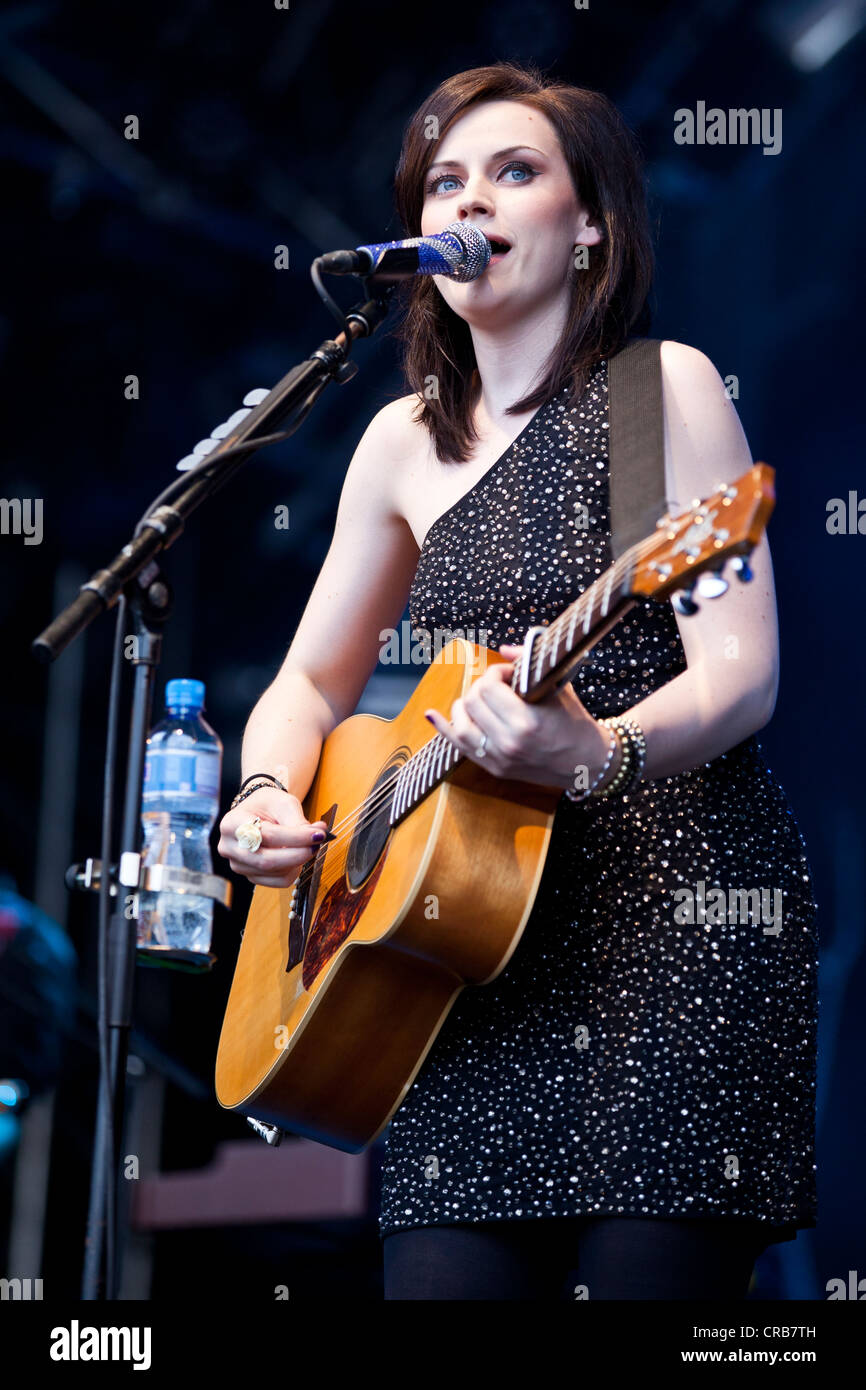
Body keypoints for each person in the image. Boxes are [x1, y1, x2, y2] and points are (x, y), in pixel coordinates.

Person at [216, 61, 818, 1301]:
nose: (469, 199)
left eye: (513, 171)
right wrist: (271, 789)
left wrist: (598, 756)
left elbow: (741, 672)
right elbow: (305, 683)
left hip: (667, 931)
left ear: (589, 220)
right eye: (444, 179)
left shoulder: (659, 390)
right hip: (456, 959)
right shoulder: (398, 440)